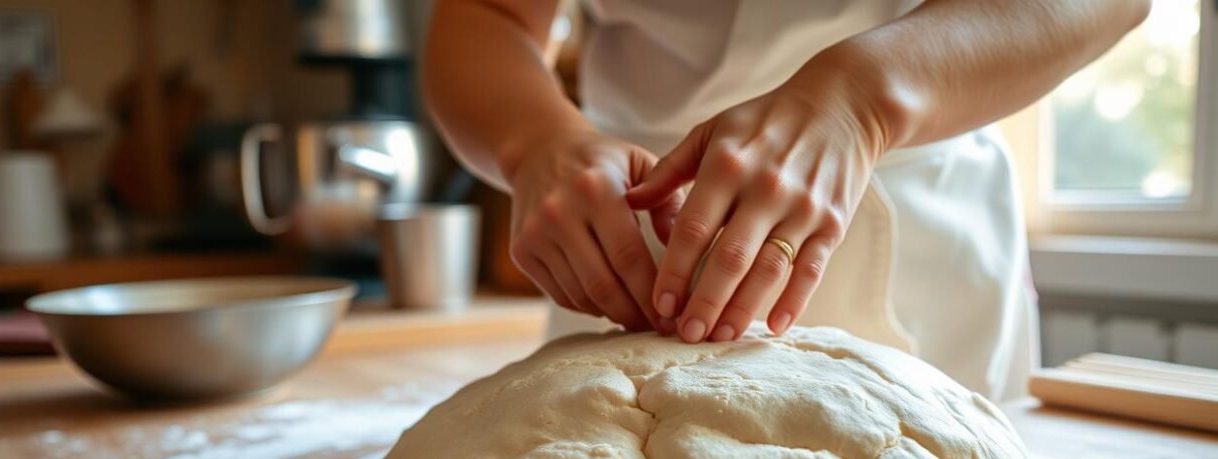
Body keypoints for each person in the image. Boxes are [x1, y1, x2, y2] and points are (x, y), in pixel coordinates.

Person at [425, 0, 1149, 400]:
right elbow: (484, 17)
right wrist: (536, 143)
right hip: (628, 238)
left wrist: (864, 97)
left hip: (925, 233)